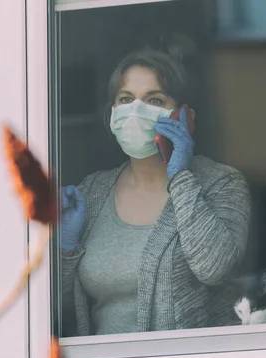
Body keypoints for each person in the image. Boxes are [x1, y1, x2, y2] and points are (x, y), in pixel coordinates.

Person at [59, 49, 251, 337]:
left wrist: (181, 178)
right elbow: (53, 307)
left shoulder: (221, 183)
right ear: (112, 113)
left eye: (154, 100)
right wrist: (65, 250)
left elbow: (213, 268)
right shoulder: (92, 191)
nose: (136, 110)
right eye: (125, 99)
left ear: (185, 117)